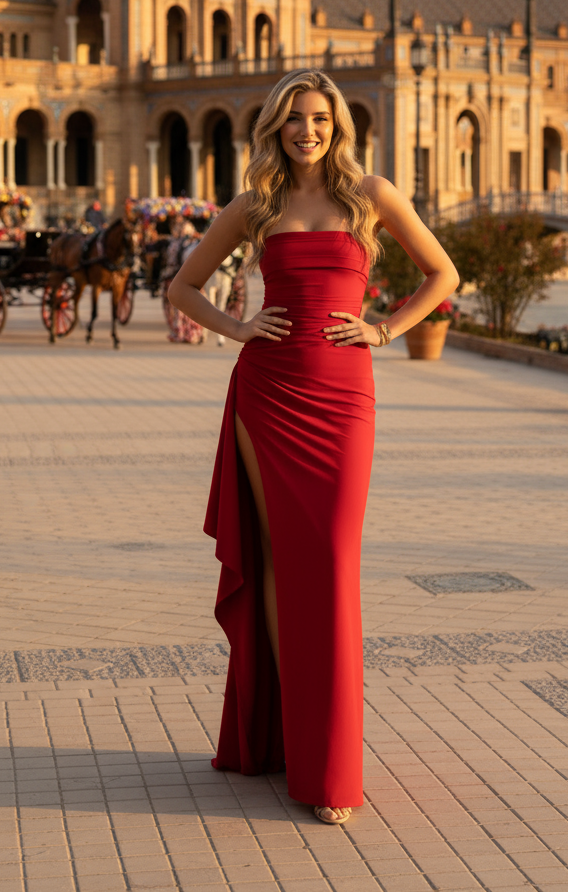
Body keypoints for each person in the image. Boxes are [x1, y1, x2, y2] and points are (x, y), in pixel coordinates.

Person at [168, 70, 459, 826]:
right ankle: (289, 744)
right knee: (277, 568)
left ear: (337, 126)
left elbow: (443, 272)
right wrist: (238, 328)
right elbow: (184, 288)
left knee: (330, 563)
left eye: (320, 119)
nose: (307, 130)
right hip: (267, 396)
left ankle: (328, 762)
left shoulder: (371, 195)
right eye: (295, 119)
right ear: (276, 127)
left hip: (343, 397)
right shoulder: (255, 206)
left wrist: (386, 329)